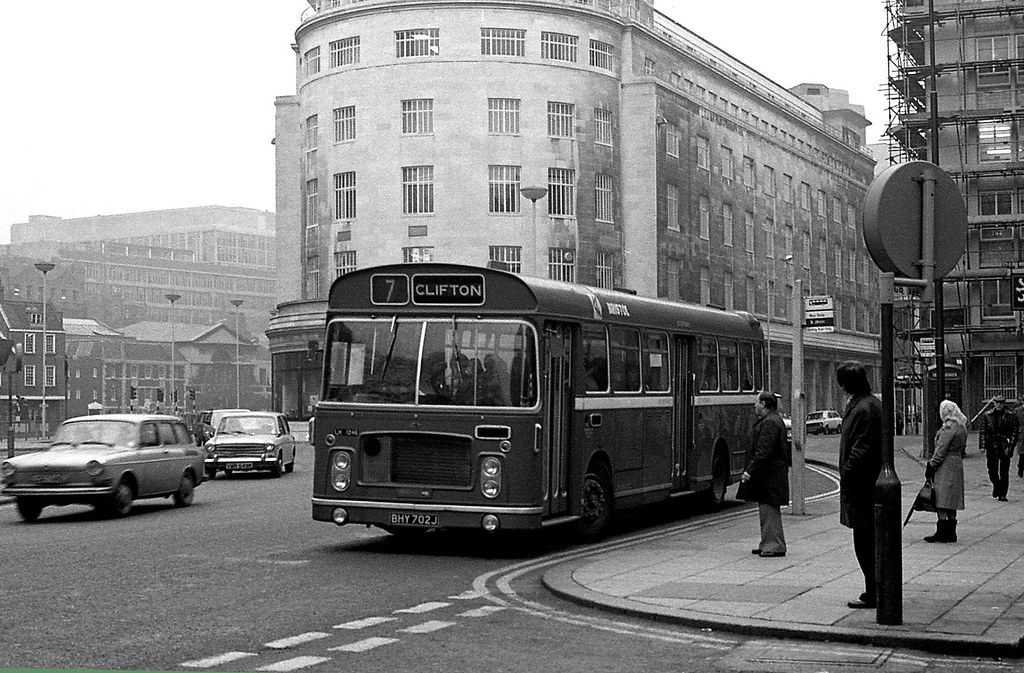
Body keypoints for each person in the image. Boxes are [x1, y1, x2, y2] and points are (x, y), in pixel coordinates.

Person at [836, 362, 882, 610]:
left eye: (842, 382)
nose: (841, 388)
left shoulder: (865, 408)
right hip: (863, 485)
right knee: (866, 542)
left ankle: (874, 591)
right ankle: (872, 589)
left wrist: (847, 472)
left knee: (865, 543)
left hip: (863, 487)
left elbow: (862, 448)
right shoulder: (866, 403)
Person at [739, 391, 791, 558]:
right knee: (766, 509)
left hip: (769, 476)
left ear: (764, 405)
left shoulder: (770, 423)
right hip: (770, 475)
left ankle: (774, 545)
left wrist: (749, 471)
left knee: (769, 510)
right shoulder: (772, 420)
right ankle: (767, 542)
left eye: (757, 402)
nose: (755, 405)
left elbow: (763, 452)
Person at [923, 400, 967, 543]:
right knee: (952, 500)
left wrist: (932, 464)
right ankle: (951, 532)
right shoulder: (961, 426)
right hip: (957, 463)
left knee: (942, 499)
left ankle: (942, 532)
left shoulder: (948, 428)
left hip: (946, 465)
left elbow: (941, 449)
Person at [979, 394, 1019, 501]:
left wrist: (1011, 445)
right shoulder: (987, 415)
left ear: (1004, 403)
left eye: (1001, 403)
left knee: (1004, 470)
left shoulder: (1011, 415)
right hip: (992, 444)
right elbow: (983, 431)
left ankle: (1003, 494)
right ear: (994, 403)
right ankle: (996, 485)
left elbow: (1015, 431)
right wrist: (982, 445)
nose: (999, 405)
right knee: (992, 470)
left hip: (1004, 443)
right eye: (997, 402)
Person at [1015, 394, 1024, 479]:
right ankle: (1020, 468)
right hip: (1022, 434)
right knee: (1022, 454)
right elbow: (1014, 424)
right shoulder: (1018, 411)